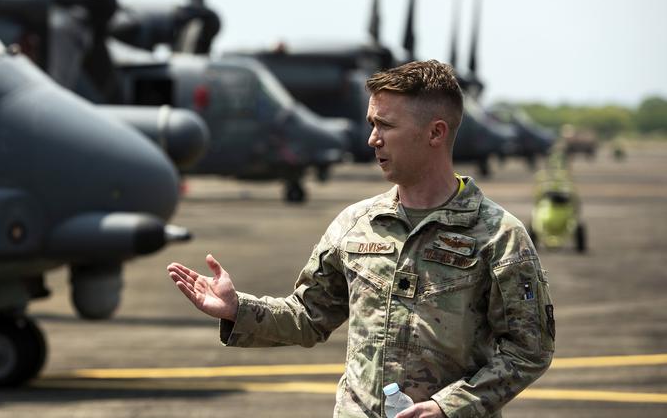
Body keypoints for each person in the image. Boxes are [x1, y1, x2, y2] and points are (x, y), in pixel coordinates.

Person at [168, 60, 554, 417]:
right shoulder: (355, 224)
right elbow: (308, 316)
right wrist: (238, 309)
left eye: (385, 125)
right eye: (372, 123)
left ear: (435, 133)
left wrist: (447, 407)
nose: (372, 139)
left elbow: (529, 349)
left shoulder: (499, 236)